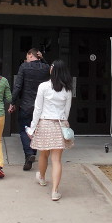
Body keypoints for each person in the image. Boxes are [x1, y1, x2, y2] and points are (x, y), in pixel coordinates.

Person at [26, 59, 73, 201]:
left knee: (43, 155)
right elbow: (67, 111)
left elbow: (38, 109)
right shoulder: (68, 89)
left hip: (45, 123)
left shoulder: (43, 86)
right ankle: (55, 191)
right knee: (57, 160)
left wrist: (32, 128)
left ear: (53, 69)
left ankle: (41, 177)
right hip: (60, 124)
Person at [8, 48, 50, 170]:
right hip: (41, 106)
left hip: (26, 105)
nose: (26, 60)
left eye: (27, 57)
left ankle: (29, 154)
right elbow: (51, 69)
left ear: (30, 56)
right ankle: (32, 153)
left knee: (24, 130)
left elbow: (18, 86)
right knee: (36, 130)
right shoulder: (45, 68)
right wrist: (43, 59)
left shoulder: (24, 67)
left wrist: (12, 102)